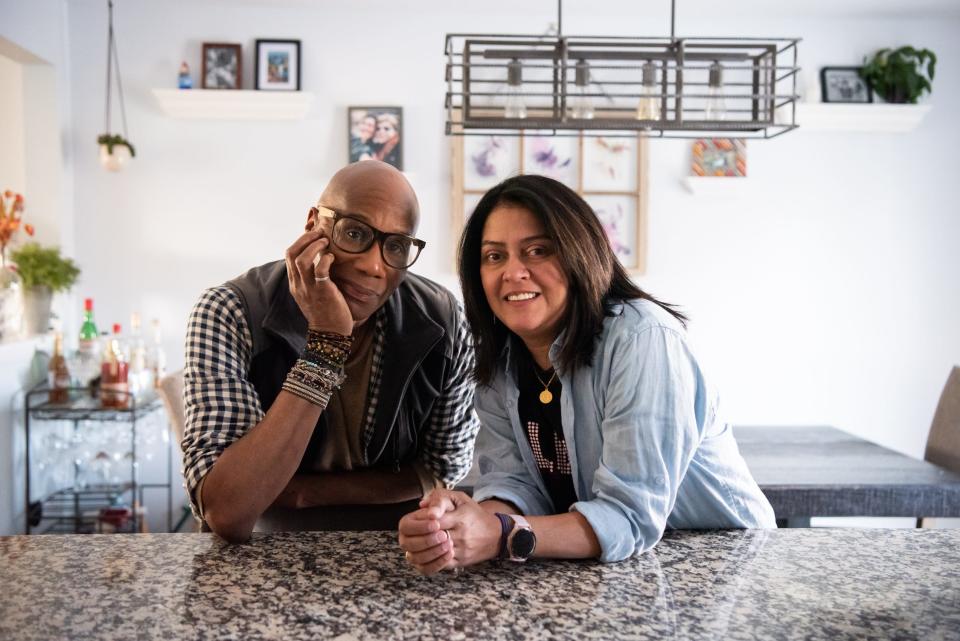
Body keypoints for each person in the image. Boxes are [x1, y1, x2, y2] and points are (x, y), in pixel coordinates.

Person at [398, 174, 775, 574]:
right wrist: (460, 524)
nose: (513, 271)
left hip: (725, 563)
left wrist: (500, 534)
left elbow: (628, 517)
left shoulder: (644, 340)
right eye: (494, 256)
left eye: (538, 250)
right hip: (612, 569)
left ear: (579, 254)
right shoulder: (499, 356)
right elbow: (514, 483)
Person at [181, 160, 480, 542]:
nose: (374, 265)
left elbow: (442, 467)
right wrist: (326, 345)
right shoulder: (229, 312)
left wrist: (300, 493)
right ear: (312, 225)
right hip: (263, 550)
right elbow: (229, 510)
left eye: (397, 246)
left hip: (398, 548)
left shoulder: (442, 319)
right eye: (354, 233)